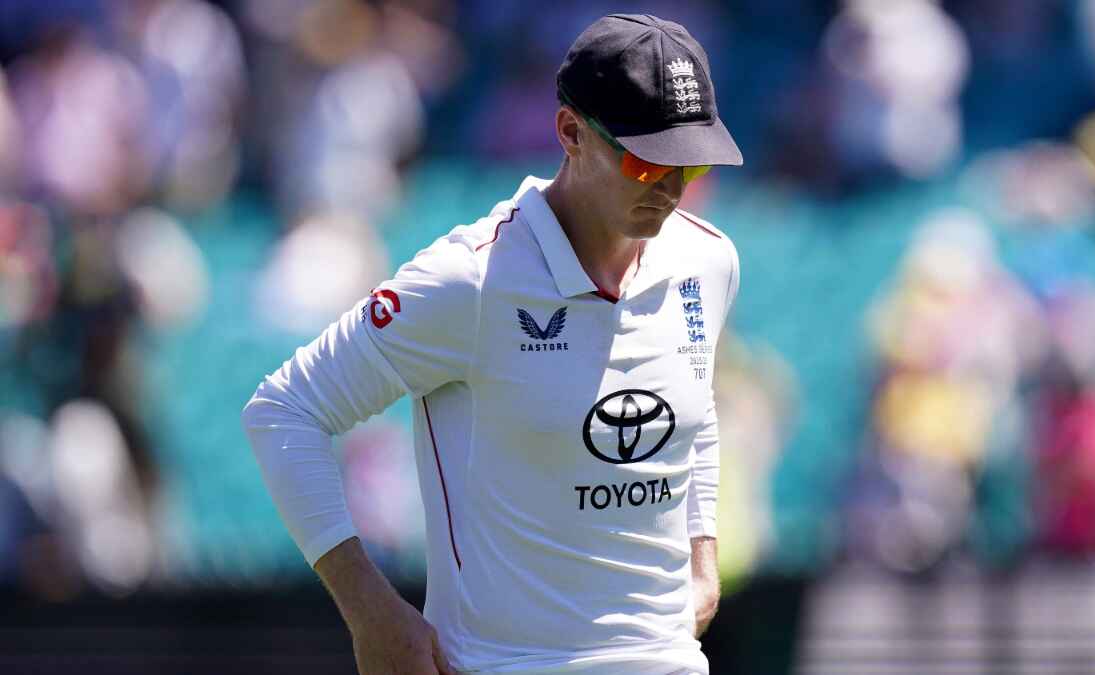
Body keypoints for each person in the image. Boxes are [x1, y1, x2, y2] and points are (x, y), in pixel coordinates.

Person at [242, 14, 742, 675]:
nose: (673, 188)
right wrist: (370, 609)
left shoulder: (709, 261)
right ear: (571, 133)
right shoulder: (469, 279)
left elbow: (694, 413)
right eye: (647, 163)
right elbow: (284, 410)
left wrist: (703, 553)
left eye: (690, 162)